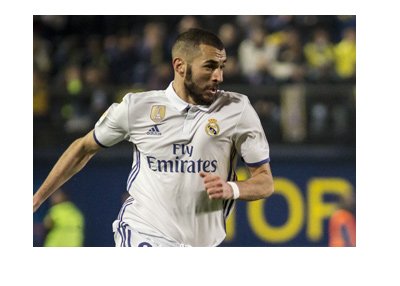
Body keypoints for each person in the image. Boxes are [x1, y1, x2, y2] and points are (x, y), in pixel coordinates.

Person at [33, 28, 274, 247]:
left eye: (222, 66)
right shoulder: (137, 107)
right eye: (210, 66)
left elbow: (265, 181)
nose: (219, 76)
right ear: (180, 66)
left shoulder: (237, 109)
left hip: (202, 244)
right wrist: (38, 198)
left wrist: (232, 188)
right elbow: (83, 147)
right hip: (144, 232)